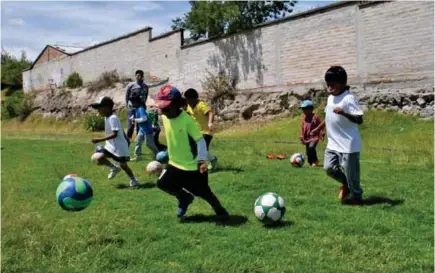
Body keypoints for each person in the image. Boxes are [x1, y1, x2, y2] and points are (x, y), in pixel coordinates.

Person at [153, 84, 229, 219]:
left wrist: (201, 161)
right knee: (163, 184)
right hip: (175, 163)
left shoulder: (187, 120)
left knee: (204, 193)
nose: (163, 111)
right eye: (162, 108)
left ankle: (220, 211)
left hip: (193, 166)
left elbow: (200, 141)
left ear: (177, 105)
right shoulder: (164, 116)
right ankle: (184, 198)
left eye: (166, 108)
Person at [323, 66, 364, 205]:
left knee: (352, 176)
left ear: (342, 82)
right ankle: (345, 184)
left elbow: (359, 119)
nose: (329, 86)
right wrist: (322, 129)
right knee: (328, 168)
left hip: (348, 144)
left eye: (332, 83)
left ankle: (357, 197)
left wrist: (344, 113)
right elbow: (329, 117)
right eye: (327, 83)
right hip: (333, 142)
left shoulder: (348, 98)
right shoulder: (329, 98)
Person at [89, 96, 139, 187]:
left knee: (124, 166)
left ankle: (133, 179)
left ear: (107, 108)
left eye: (100, 108)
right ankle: (114, 167)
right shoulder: (106, 118)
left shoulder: (113, 118)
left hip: (119, 147)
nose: (98, 110)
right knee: (97, 158)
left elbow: (115, 134)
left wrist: (99, 140)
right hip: (110, 146)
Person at [125, 70, 168, 139]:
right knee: (131, 126)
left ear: (142, 77)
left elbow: (154, 85)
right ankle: (127, 140)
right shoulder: (131, 85)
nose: (139, 77)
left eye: (141, 76)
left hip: (141, 108)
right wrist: (127, 105)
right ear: (135, 76)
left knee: (140, 125)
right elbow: (127, 96)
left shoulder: (145, 86)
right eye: (138, 75)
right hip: (132, 108)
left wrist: (165, 81)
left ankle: (138, 139)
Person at [183, 88, 218, 170]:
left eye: (189, 100)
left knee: (202, 149)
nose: (188, 102)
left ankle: (200, 168)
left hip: (207, 131)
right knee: (201, 148)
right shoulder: (188, 106)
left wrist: (210, 123)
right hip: (197, 131)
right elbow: (188, 114)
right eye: (187, 100)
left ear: (195, 98)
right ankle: (213, 159)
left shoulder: (201, 105)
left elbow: (210, 113)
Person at [129, 94, 159, 161]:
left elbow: (144, 118)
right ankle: (137, 156)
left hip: (147, 129)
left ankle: (158, 154)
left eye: (133, 102)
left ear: (137, 102)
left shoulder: (141, 108)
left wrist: (135, 120)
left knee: (148, 144)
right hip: (142, 129)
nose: (132, 104)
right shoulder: (137, 109)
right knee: (137, 141)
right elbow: (140, 119)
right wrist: (134, 119)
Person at [299, 99, 325, 167]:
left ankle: (315, 160)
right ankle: (311, 162)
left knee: (311, 147)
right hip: (307, 138)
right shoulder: (304, 119)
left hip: (314, 137)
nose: (303, 111)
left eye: (305, 109)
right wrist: (302, 136)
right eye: (302, 109)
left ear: (310, 109)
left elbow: (320, 126)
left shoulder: (315, 117)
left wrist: (322, 133)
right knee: (308, 152)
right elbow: (303, 129)